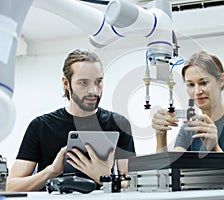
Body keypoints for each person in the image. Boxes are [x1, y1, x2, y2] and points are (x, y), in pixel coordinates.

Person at [7, 49, 135, 191]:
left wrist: (104, 177)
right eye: (83, 83)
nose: (93, 90)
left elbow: (131, 182)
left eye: (98, 82)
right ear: (66, 83)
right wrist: (52, 171)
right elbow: (11, 186)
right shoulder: (41, 126)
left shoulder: (119, 124)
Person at [152, 51, 224, 187]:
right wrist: (160, 136)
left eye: (203, 83)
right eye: (190, 85)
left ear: (221, 80)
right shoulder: (189, 129)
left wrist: (215, 149)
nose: (196, 91)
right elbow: (168, 177)